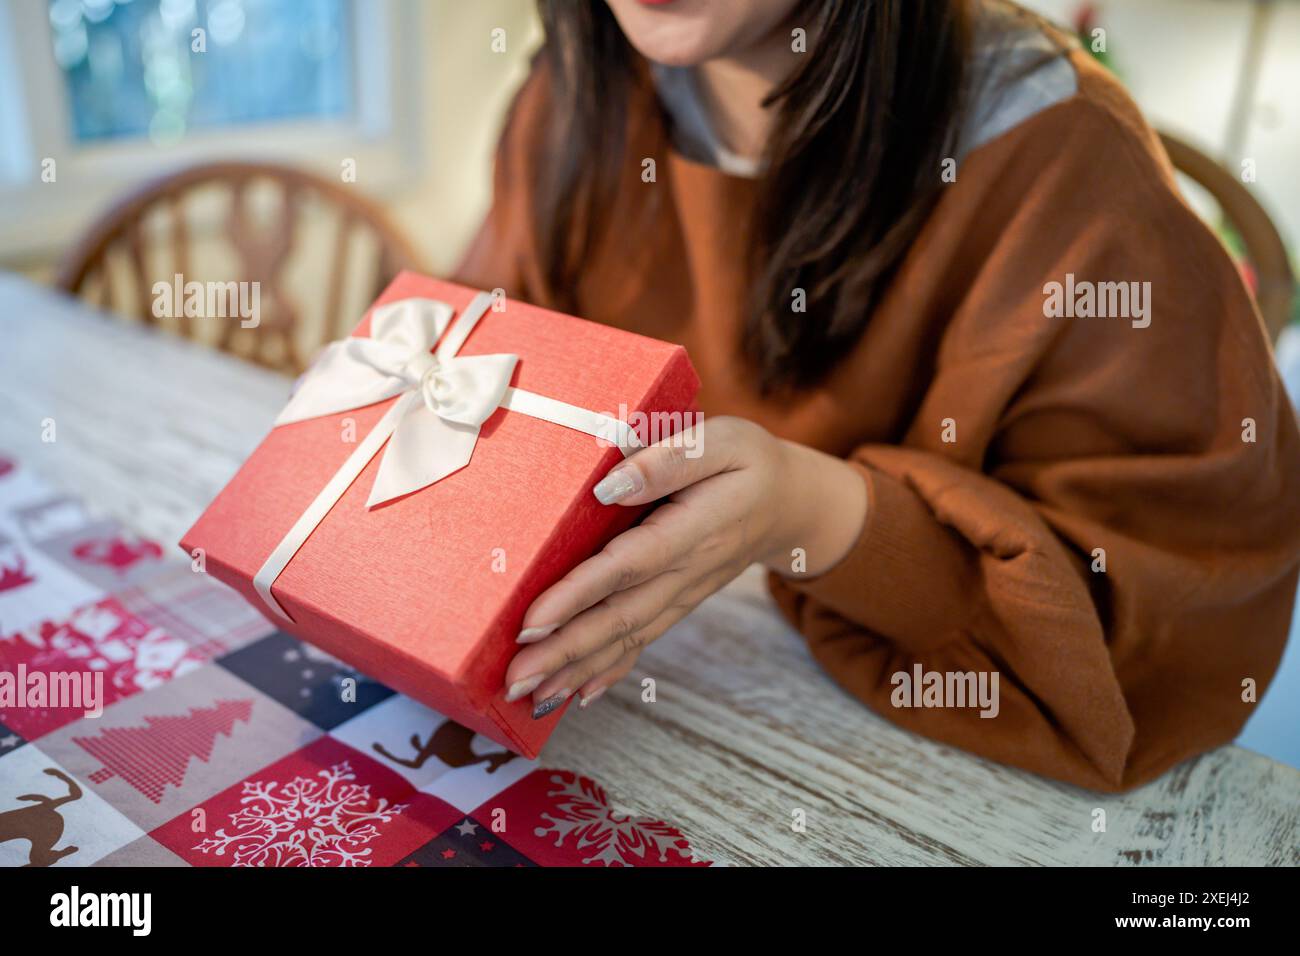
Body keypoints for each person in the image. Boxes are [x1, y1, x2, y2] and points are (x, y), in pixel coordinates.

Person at [454, 0, 1300, 791]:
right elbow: (482, 379)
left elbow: (1148, 639)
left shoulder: (1065, 161)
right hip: (664, 711)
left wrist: (811, 513)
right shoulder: (573, 99)